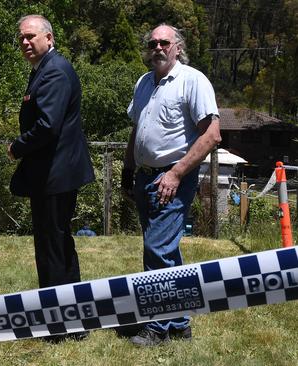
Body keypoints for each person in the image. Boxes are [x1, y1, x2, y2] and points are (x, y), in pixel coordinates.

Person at [122, 24, 222, 346]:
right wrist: (128, 168)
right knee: (165, 252)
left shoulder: (192, 80)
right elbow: (137, 130)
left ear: (177, 47)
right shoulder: (143, 83)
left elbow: (212, 135)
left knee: (157, 250)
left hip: (173, 177)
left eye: (164, 42)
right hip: (145, 176)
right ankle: (179, 324)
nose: (158, 47)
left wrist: (176, 174)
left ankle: (158, 327)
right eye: (152, 43)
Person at [8, 13, 94, 316]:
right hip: (52, 172)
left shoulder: (54, 71)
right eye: (21, 37)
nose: (25, 42)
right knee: (56, 241)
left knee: (52, 244)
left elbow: (47, 126)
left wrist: (16, 147)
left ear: (49, 38)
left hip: (55, 173)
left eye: (31, 36)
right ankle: (72, 311)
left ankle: (58, 318)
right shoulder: (43, 68)